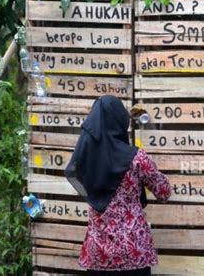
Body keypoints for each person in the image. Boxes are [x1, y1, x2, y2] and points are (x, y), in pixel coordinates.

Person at [65, 95, 171, 276]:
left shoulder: (86, 160)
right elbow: (164, 191)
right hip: (134, 251)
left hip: (99, 253)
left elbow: (78, 183)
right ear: (121, 120)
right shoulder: (137, 158)